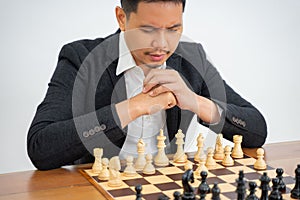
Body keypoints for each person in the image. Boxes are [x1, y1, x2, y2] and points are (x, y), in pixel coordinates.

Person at [27, 0, 267, 170]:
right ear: (122, 18)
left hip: (168, 183)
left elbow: (257, 129)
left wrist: (196, 101)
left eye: (174, 29)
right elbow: (41, 147)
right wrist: (133, 107)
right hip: (101, 188)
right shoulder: (81, 59)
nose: (161, 44)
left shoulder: (192, 59)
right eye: (147, 29)